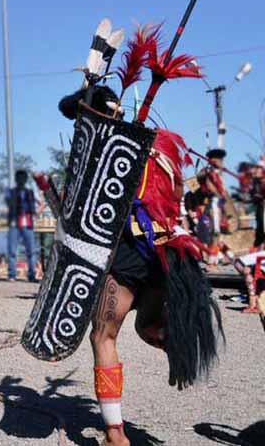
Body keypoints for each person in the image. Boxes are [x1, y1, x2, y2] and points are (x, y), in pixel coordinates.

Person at [87, 128, 223, 446]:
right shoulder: (168, 162)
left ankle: (115, 434)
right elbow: (174, 201)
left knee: (102, 335)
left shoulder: (113, 153)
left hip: (130, 251)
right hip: (167, 253)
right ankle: (174, 342)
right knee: (146, 325)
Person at [5, 169, 39, 282]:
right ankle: (12, 274)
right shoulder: (11, 192)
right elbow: (9, 204)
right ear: (16, 179)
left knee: (31, 251)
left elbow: (33, 208)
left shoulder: (30, 192)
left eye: (23, 178)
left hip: (27, 222)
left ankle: (32, 275)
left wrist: (34, 215)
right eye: (19, 178)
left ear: (25, 180)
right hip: (14, 222)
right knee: (12, 250)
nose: (21, 180)